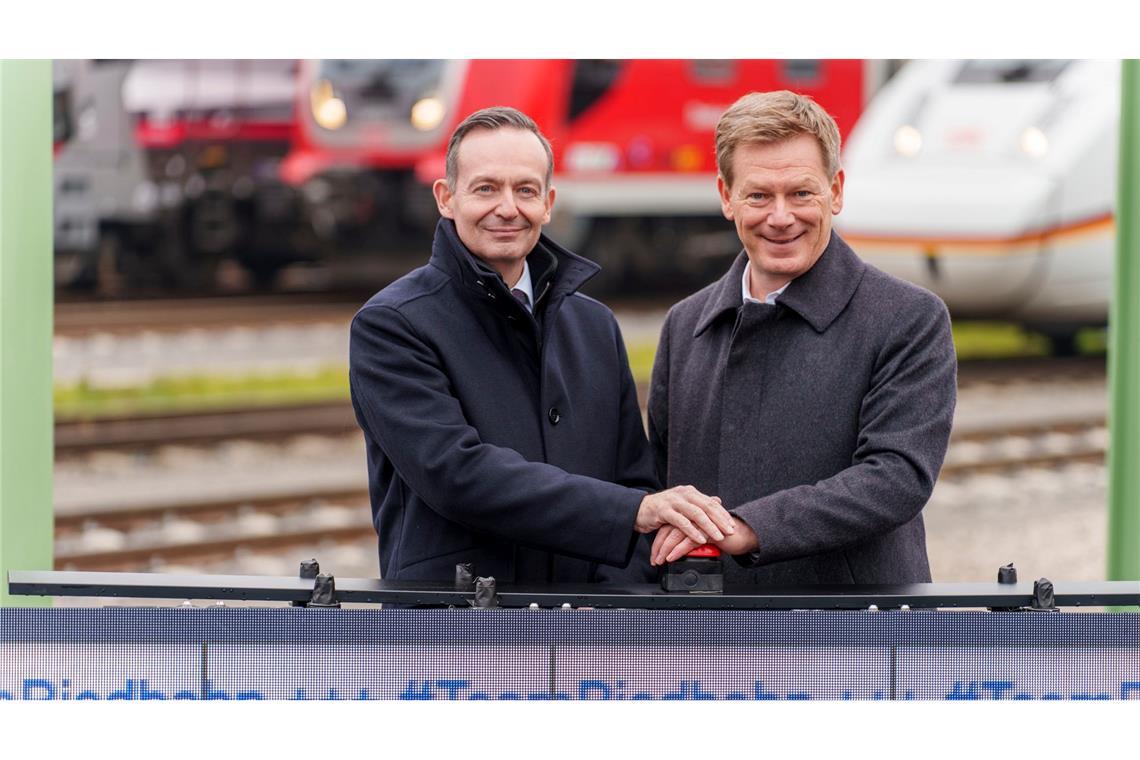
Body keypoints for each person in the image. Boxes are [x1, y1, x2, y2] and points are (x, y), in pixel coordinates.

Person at [349, 106, 733, 583]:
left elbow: (633, 478)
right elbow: (455, 475)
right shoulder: (391, 325)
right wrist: (632, 510)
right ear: (446, 198)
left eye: (525, 190)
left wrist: (618, 601)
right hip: (456, 631)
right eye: (486, 188)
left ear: (548, 203)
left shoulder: (595, 326)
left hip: (587, 632)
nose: (508, 208)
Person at [647, 91, 957, 583]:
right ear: (727, 198)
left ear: (836, 190)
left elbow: (896, 477)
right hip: (709, 624)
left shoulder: (909, 318)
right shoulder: (685, 324)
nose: (780, 216)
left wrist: (752, 527)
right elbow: (660, 478)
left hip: (854, 634)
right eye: (758, 195)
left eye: (801, 193)